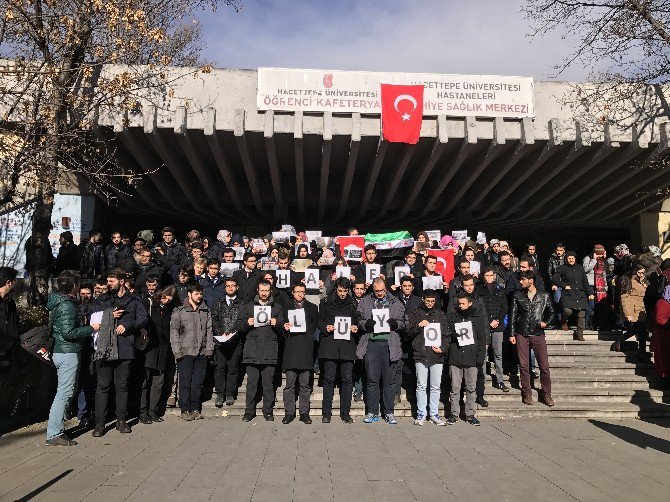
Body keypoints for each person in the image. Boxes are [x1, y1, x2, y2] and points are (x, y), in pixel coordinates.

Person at [92, 268, 148, 437]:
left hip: (124, 348)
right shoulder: (102, 300)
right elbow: (90, 315)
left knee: (122, 386)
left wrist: (129, 326)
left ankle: (121, 421)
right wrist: (108, 315)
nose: (107, 284)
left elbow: (143, 318)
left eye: (111, 281)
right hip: (105, 348)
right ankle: (100, 424)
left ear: (121, 282)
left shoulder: (134, 301)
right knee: (102, 386)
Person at [46, 271, 99, 446]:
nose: (79, 286)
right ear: (73, 285)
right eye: (78, 283)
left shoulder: (60, 302)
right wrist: (91, 328)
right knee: (64, 393)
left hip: (63, 351)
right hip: (67, 352)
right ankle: (54, 433)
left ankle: (56, 430)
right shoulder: (67, 306)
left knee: (65, 391)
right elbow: (68, 333)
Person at [356, 277, 406, 424]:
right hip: (372, 344)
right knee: (372, 380)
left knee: (389, 381)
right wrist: (365, 324)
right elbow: (358, 319)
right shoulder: (365, 301)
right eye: (376, 291)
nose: (379, 293)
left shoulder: (396, 302)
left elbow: (405, 321)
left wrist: (396, 324)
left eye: (382, 290)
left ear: (386, 288)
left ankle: (389, 412)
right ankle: (372, 411)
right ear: (372, 289)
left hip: (389, 345)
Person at [237, 280, 284, 422]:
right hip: (252, 351)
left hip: (269, 351)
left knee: (268, 384)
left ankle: (268, 411)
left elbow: (283, 331)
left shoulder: (277, 307)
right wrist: (247, 324)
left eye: (267, 290)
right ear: (257, 291)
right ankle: (249, 411)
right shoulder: (249, 306)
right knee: (252, 384)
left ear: (271, 291)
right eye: (262, 290)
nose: (264, 293)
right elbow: (239, 326)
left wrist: (277, 324)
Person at [317, 278, 361, 423]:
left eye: (345, 291)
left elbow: (358, 321)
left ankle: (345, 413)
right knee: (328, 379)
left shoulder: (353, 304)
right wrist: (325, 328)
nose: (342, 294)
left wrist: (356, 328)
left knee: (347, 380)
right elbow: (319, 320)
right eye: (340, 291)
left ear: (348, 290)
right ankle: (326, 413)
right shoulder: (326, 302)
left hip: (347, 347)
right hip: (330, 345)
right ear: (336, 289)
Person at [509, 271, 555, 407]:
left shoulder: (544, 295)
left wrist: (546, 323)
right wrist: (512, 334)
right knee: (524, 366)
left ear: (531, 280)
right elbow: (513, 315)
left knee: (544, 366)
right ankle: (527, 393)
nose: (520, 282)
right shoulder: (518, 295)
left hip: (538, 333)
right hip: (521, 333)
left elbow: (551, 312)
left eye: (523, 280)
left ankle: (546, 394)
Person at [170, 282, 213, 421]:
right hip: (185, 352)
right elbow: (174, 332)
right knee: (185, 382)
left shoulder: (206, 310)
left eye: (200, 294)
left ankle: (195, 408)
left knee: (197, 383)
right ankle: (185, 409)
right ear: (189, 294)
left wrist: (209, 349)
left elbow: (209, 331)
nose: (199, 296)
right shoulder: (180, 311)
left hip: (201, 352)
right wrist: (177, 352)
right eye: (196, 294)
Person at [445, 291, 487, 426]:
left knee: (471, 388)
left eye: (463, 303)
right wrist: (454, 335)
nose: (461, 306)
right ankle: (454, 414)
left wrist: (480, 357)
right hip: (456, 356)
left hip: (472, 357)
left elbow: (482, 338)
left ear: (470, 303)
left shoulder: (477, 317)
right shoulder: (453, 316)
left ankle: (470, 414)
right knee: (455, 388)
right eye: (459, 303)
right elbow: (447, 333)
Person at [407, 290, 448, 426]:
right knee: (421, 385)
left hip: (436, 355)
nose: (430, 303)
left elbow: (447, 335)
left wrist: (443, 348)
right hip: (421, 354)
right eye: (427, 301)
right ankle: (421, 413)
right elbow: (408, 332)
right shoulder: (415, 313)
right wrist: (419, 325)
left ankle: (434, 413)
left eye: (432, 301)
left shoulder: (441, 314)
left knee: (435, 386)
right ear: (423, 299)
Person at [281, 283, 318, 424]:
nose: (299, 294)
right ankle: (289, 413)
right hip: (291, 349)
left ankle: (304, 413)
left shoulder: (312, 308)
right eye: (297, 291)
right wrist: (284, 327)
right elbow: (281, 326)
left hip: (305, 349)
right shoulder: (286, 307)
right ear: (292, 292)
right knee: (289, 385)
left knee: (305, 385)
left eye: (302, 292)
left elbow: (314, 326)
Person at [139, 286, 176, 424]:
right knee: (145, 381)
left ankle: (152, 411)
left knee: (158, 382)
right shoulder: (149, 307)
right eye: (165, 297)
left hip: (163, 350)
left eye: (169, 299)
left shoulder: (169, 311)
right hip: (149, 349)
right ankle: (142, 411)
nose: (166, 301)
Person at [211, 277, 245, 407]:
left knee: (233, 369)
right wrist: (220, 332)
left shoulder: (241, 304)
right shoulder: (218, 303)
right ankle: (220, 393)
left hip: (235, 341)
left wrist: (233, 331)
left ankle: (230, 393)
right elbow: (214, 319)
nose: (230, 288)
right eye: (228, 286)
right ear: (224, 288)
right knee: (219, 368)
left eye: (233, 285)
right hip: (221, 341)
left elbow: (242, 320)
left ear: (237, 287)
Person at [477, 267, 509, 392]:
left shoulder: (500, 290)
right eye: (487, 275)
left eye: (491, 275)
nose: (489, 277)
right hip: (484, 326)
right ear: (483, 276)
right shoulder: (479, 290)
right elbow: (479, 308)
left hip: (498, 326)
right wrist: (486, 322)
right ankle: (482, 379)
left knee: (498, 354)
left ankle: (500, 380)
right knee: (483, 354)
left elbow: (504, 307)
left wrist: (498, 320)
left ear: (494, 276)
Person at [552, 251, 593, 341]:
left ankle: (579, 333)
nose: (571, 260)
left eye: (573, 258)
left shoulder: (580, 267)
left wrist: (590, 293)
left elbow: (585, 282)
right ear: (566, 259)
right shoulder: (562, 268)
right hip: (568, 294)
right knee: (567, 311)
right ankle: (564, 321)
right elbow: (554, 279)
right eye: (569, 258)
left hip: (580, 294)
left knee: (581, 314)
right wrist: (564, 285)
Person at [393, 276, 421, 403]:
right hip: (397, 337)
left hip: (413, 338)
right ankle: (396, 393)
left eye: (409, 286)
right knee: (397, 366)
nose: (407, 288)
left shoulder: (418, 300)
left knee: (412, 367)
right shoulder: (394, 299)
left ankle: (412, 393)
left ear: (413, 287)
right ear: (401, 286)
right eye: (405, 286)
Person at [612, 264, 649, 356]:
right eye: (639, 272)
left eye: (642, 273)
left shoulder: (641, 282)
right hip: (633, 311)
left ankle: (619, 342)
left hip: (641, 310)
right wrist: (627, 313)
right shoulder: (628, 281)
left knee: (640, 331)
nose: (641, 275)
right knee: (640, 331)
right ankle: (641, 353)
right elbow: (624, 298)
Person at [0, 267, 19, 372]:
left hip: (8, 354)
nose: (15, 282)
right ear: (8, 282)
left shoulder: (10, 302)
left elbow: (15, 325)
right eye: (14, 280)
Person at [653, 285, 670, 388]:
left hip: (666, 335)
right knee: (663, 359)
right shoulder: (662, 303)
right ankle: (663, 381)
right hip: (661, 336)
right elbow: (660, 319)